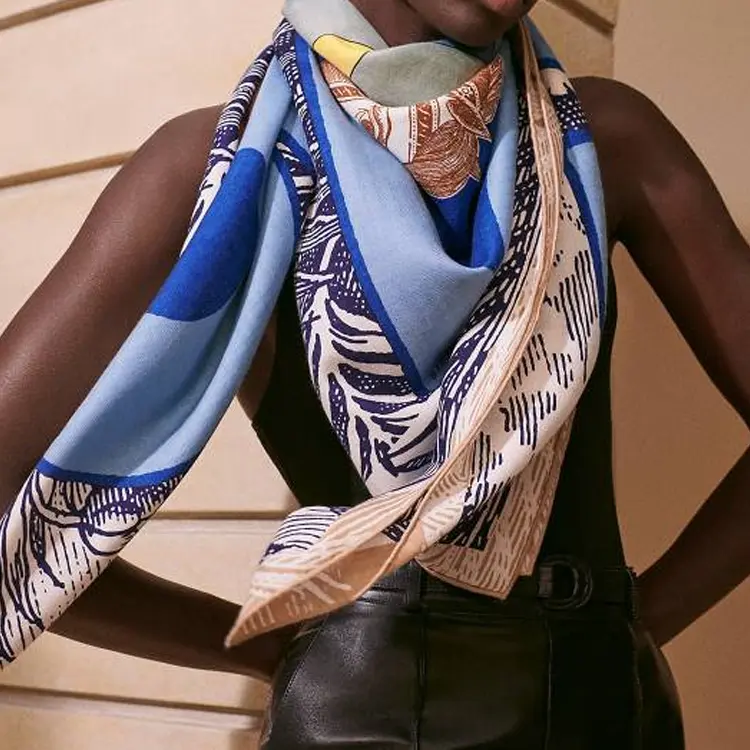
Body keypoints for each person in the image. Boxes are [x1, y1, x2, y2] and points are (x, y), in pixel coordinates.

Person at [1, 0, 749, 747]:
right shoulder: (226, 174)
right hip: (363, 713)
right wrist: (253, 644)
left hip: (603, 711)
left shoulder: (605, 142)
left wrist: (633, 622)